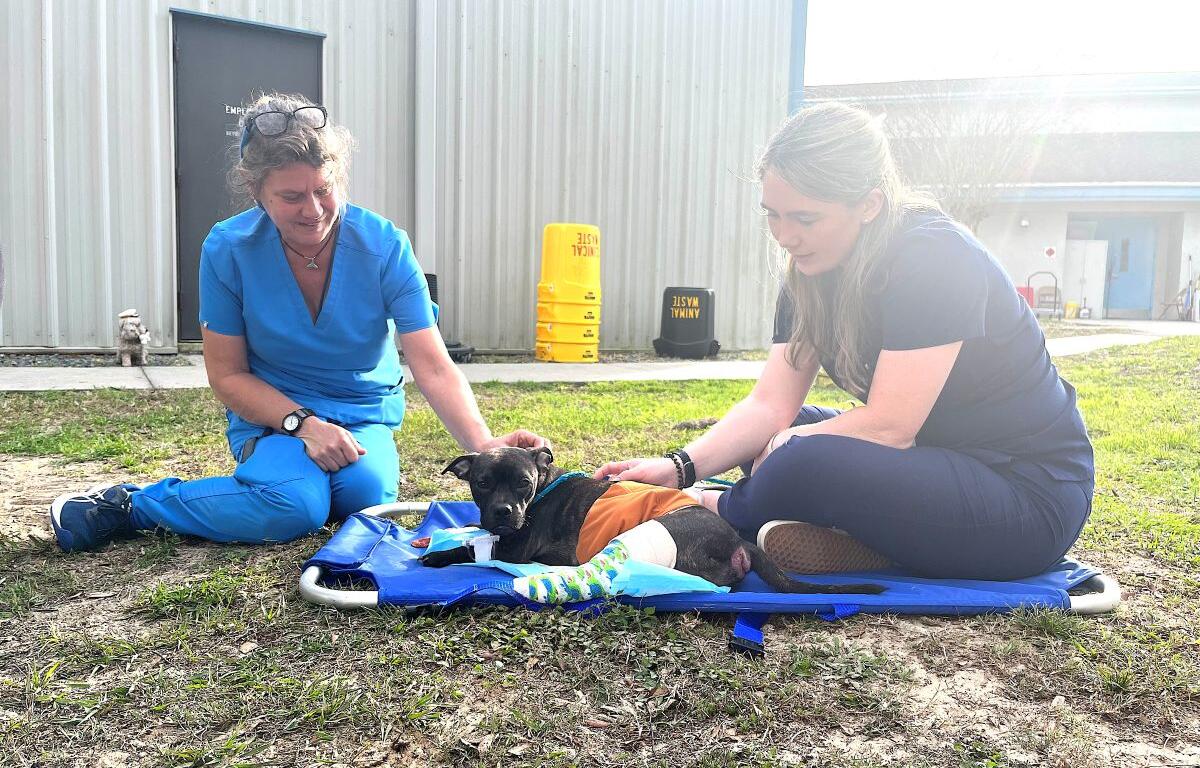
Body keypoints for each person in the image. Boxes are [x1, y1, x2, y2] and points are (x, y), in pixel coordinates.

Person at [595, 102, 1094, 581]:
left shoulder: (935, 258)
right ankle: (868, 541)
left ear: (870, 205)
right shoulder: (810, 273)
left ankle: (719, 510)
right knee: (778, 439)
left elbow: (890, 427)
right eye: (773, 214)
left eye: (805, 219)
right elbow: (771, 404)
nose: (785, 235)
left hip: (1026, 493)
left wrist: (706, 492)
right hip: (934, 457)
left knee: (799, 456)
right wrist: (679, 467)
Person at [51, 94, 545, 552]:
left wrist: (485, 446)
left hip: (360, 413)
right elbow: (227, 376)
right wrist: (303, 424)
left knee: (366, 498)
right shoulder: (227, 250)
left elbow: (433, 366)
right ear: (256, 191)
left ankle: (275, 486)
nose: (313, 212)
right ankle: (132, 505)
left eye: (324, 190)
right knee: (295, 507)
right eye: (291, 197)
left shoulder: (385, 245)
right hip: (274, 418)